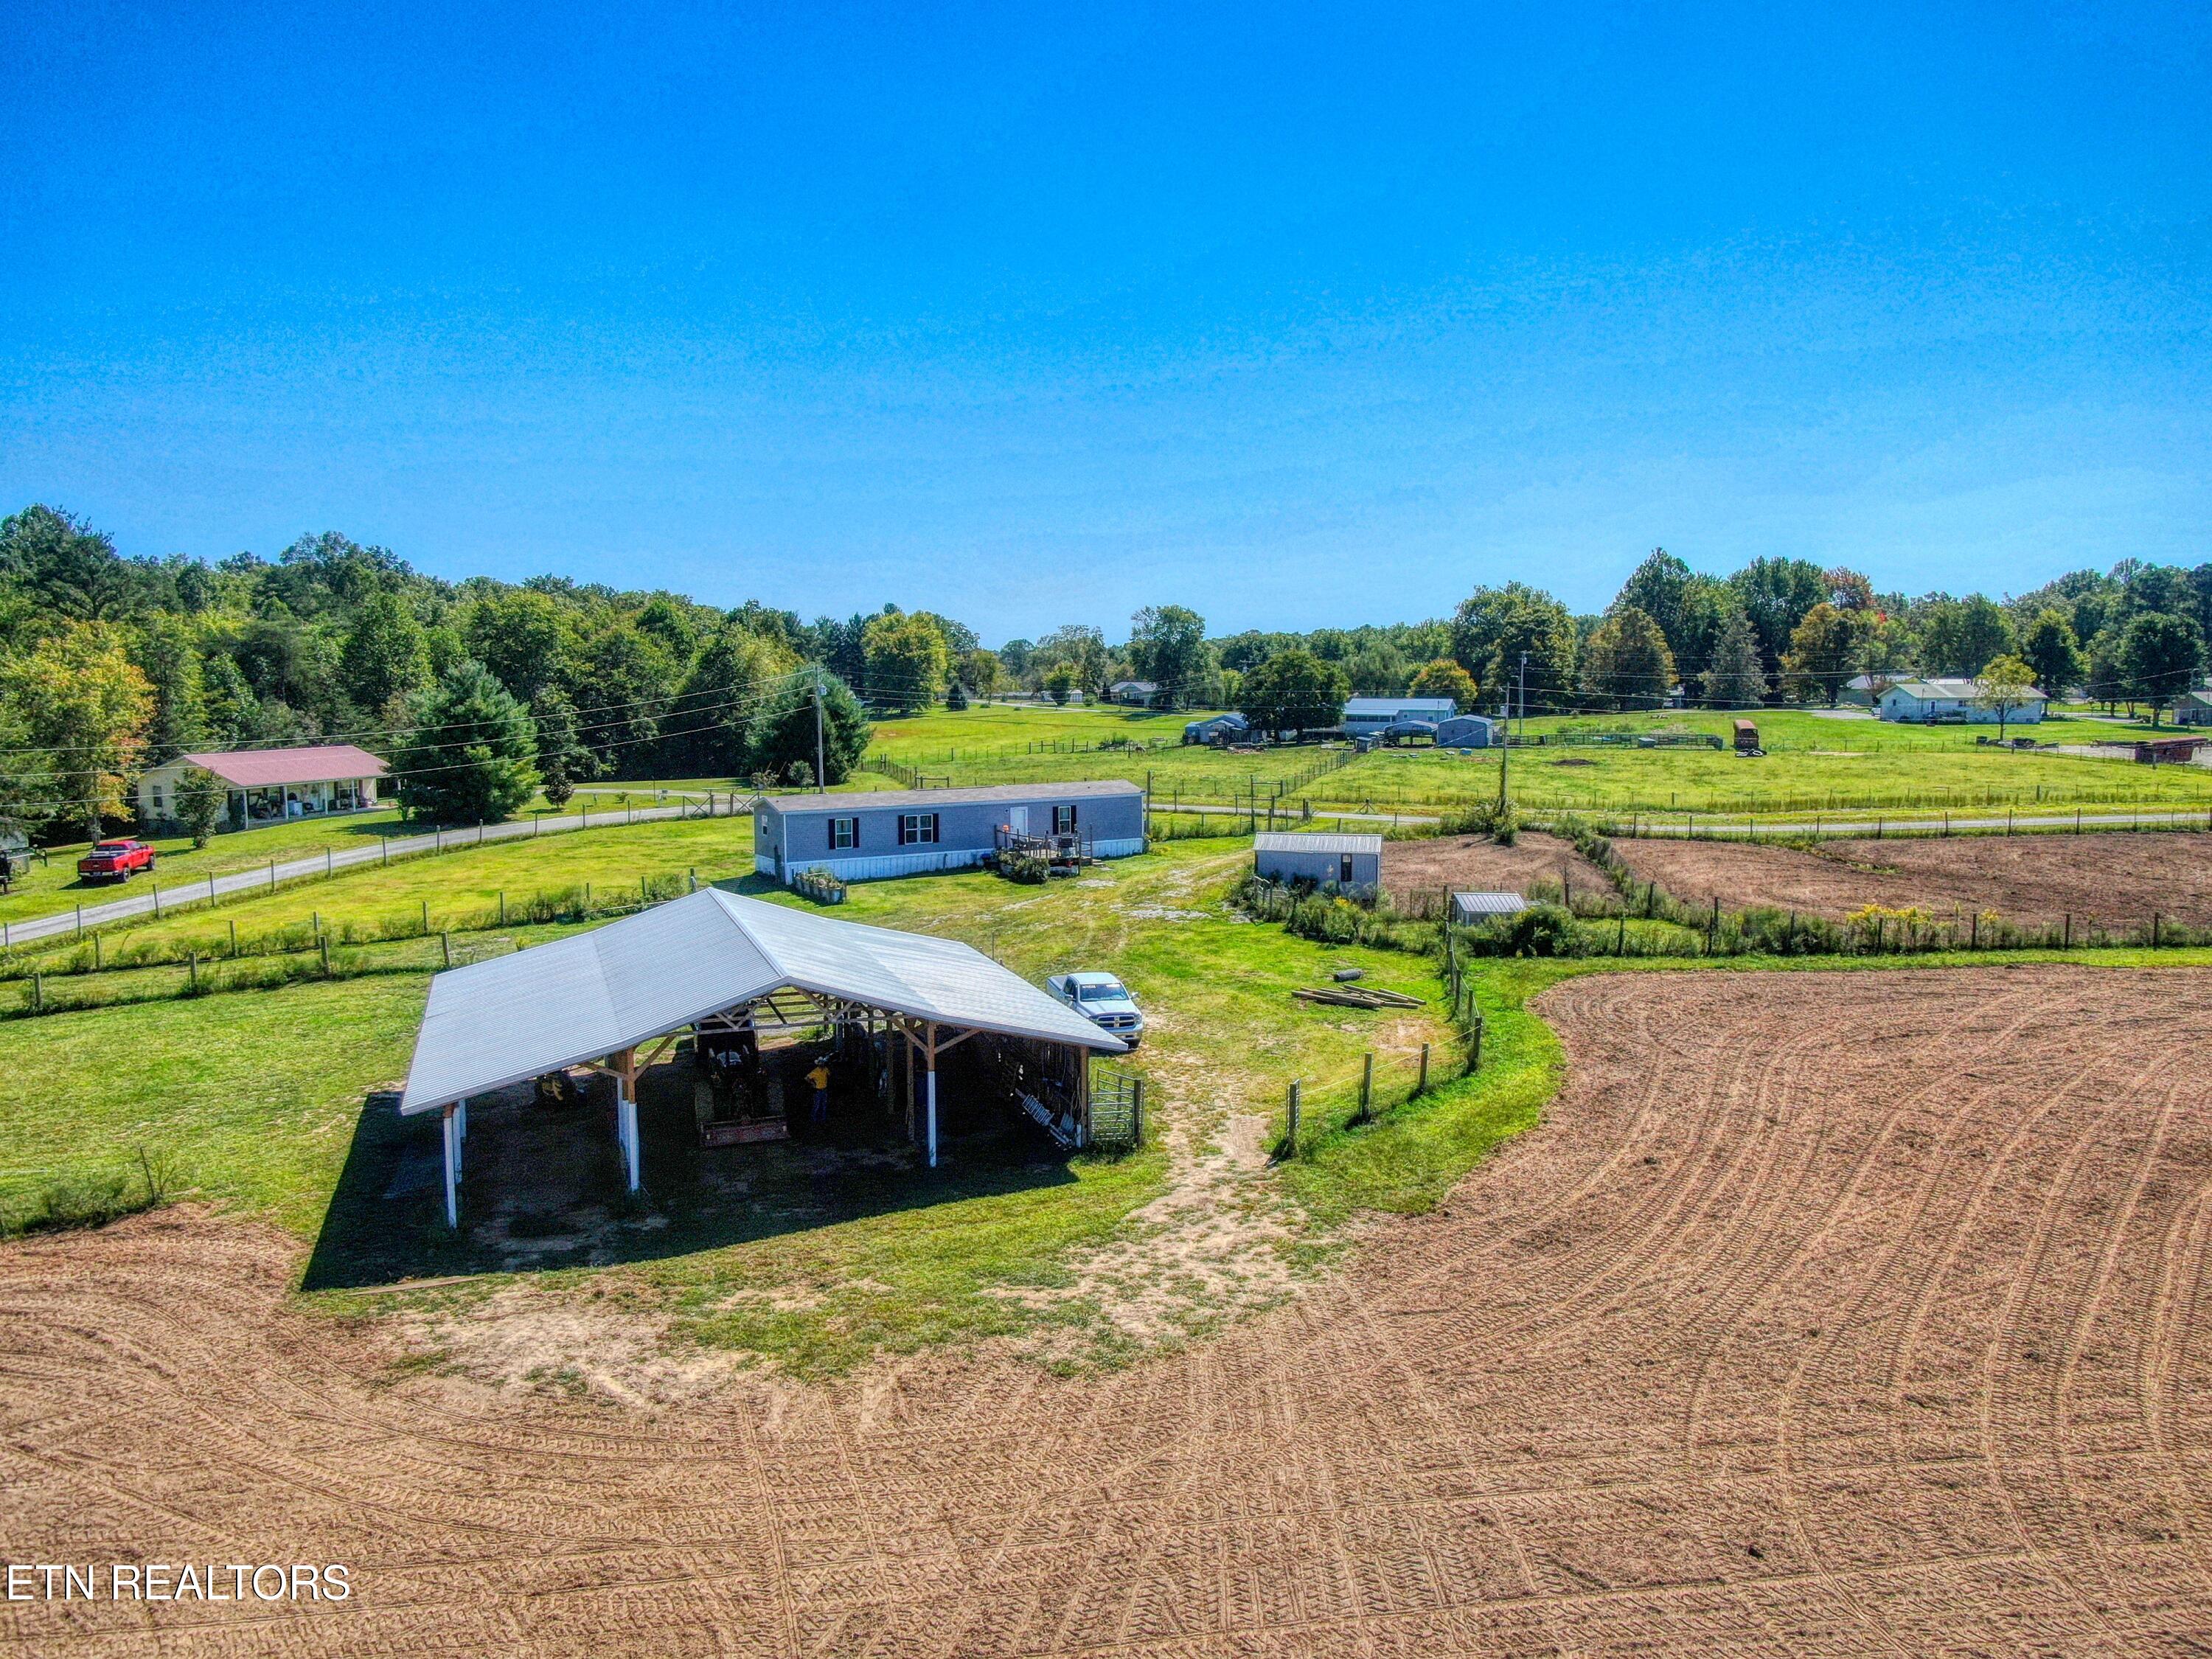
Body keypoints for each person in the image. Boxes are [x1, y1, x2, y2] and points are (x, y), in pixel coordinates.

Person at [807, 1059, 832, 1127]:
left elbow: (829, 1075)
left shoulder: (826, 1069)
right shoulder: (815, 1071)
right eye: (821, 1063)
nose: (822, 1064)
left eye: (823, 1063)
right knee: (817, 1106)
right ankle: (814, 1120)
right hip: (818, 1091)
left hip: (824, 1090)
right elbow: (807, 1078)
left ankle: (823, 1120)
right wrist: (813, 1084)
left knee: (824, 1105)